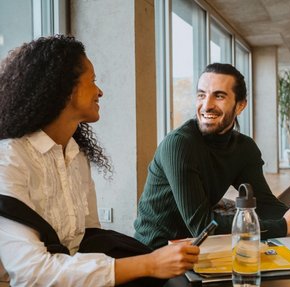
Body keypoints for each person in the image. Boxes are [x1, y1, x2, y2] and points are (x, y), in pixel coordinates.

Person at [0, 35, 199, 287]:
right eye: (92, 81)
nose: (100, 91)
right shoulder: (9, 160)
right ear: (65, 89)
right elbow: (32, 273)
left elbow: (87, 241)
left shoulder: (75, 154)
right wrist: (149, 264)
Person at [134, 63, 290, 249]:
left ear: (240, 105)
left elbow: (265, 203)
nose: (206, 105)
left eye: (219, 96)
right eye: (201, 95)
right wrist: (284, 226)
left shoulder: (244, 148)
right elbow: (201, 225)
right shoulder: (180, 144)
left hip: (198, 247)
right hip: (155, 251)